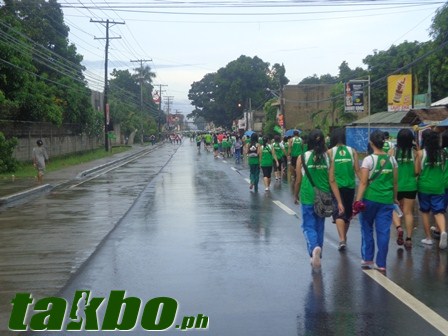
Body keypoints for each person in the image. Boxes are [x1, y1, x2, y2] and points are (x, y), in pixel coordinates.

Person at [293, 129, 344, 269]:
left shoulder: (302, 157)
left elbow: (298, 180)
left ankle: (314, 249)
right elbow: (332, 181)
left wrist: (295, 194)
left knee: (308, 226)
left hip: (308, 196)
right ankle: (318, 254)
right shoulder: (328, 158)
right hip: (324, 196)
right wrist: (339, 201)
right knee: (320, 226)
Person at [354, 130, 398, 272]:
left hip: (369, 200)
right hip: (386, 200)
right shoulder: (392, 160)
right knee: (383, 231)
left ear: (371, 143)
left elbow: (363, 183)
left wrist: (357, 200)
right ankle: (381, 263)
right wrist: (394, 198)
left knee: (367, 228)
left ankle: (368, 259)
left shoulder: (368, 160)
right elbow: (395, 182)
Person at [327, 128, 360, 251]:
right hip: (350, 187)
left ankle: (341, 239)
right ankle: (344, 238)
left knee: (338, 212)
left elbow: (328, 172)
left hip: (336, 187)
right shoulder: (352, 151)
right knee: (347, 213)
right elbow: (357, 170)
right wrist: (364, 183)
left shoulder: (330, 152)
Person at [415, 130, 447, 249]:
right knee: (439, 211)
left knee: (425, 211)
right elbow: (443, 169)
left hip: (424, 186)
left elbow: (417, 171)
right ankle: (443, 231)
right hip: (439, 186)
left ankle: (428, 238)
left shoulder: (421, 153)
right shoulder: (443, 153)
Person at [391, 128, 418, 249]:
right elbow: (417, 171)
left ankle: (399, 227)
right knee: (408, 212)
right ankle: (409, 238)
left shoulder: (393, 151)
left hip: (396, 186)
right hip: (410, 186)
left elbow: (389, 168)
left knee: (395, 210)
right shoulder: (415, 153)